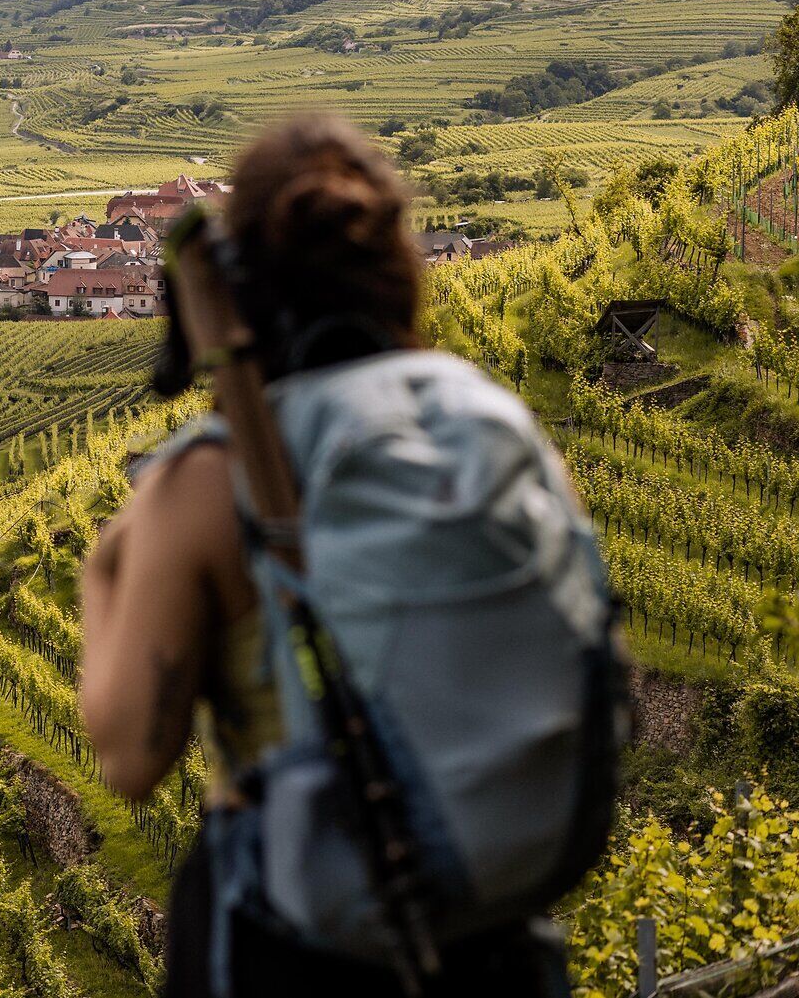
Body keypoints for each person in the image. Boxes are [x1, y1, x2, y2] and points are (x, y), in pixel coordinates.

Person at [80, 115, 587, 997]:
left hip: (291, 940)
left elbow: (129, 754)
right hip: (490, 928)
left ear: (239, 287)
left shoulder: (209, 481)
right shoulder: (493, 422)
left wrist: (104, 569)